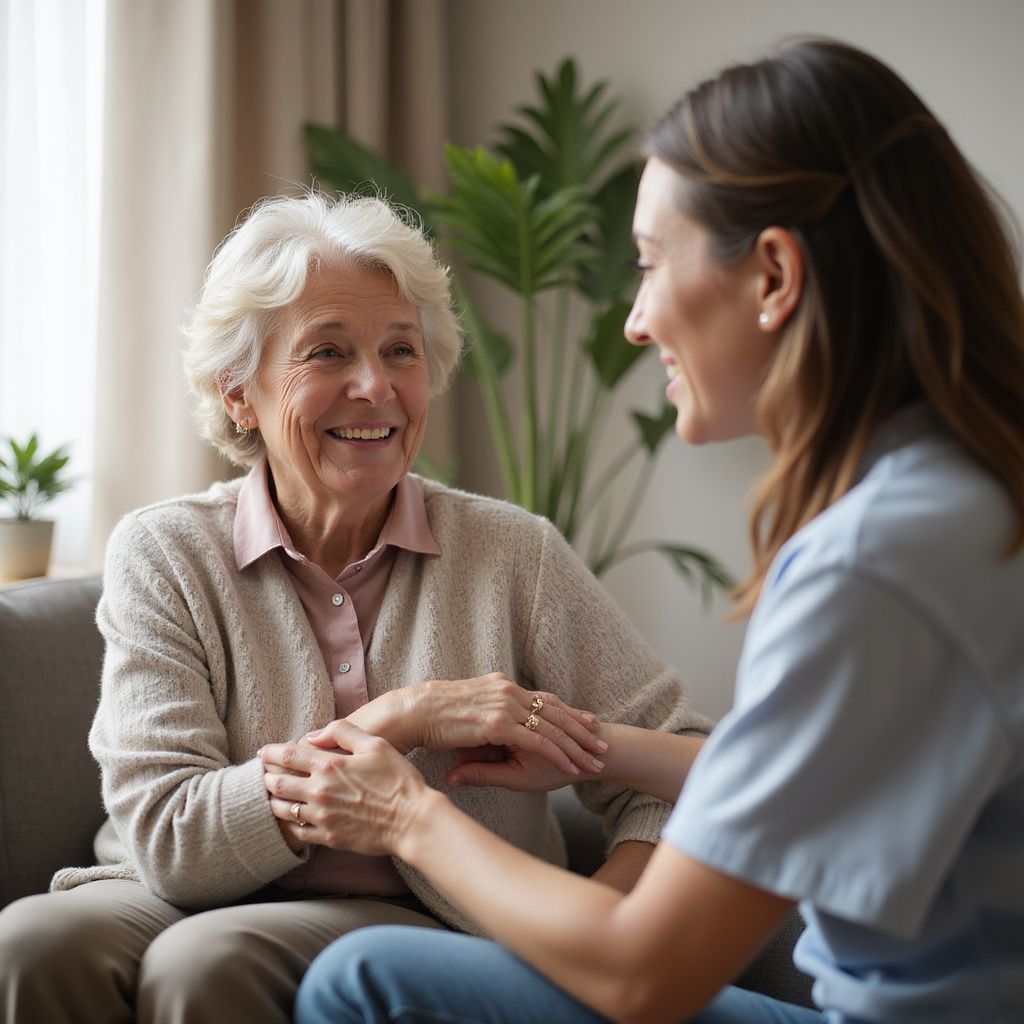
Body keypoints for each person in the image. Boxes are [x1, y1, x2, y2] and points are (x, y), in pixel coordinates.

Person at [271, 38, 1024, 1024]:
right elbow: (814, 767)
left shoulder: (872, 564)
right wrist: (601, 752)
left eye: (648, 262)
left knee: (361, 983)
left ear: (771, 276)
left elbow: (644, 972)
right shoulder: (965, 497)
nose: (633, 319)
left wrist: (407, 815)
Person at [0, 192, 711, 1024]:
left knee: (210, 962)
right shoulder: (165, 551)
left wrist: (604, 922)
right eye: (328, 353)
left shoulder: (513, 552)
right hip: (166, 892)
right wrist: (401, 718)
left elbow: (678, 761)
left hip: (423, 916)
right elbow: (168, 839)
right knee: (30, 941)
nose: (374, 387)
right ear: (239, 392)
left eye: (400, 351)